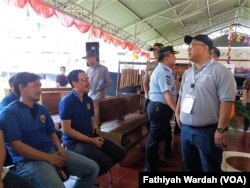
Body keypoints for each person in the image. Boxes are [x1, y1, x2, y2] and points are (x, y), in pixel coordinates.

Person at [0, 72, 99, 188]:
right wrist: (49, 158)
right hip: (28, 160)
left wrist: (60, 148)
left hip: (51, 151)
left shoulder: (41, 109)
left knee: (92, 169)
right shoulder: (9, 113)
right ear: (22, 88)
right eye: (35, 86)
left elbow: (51, 133)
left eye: (40, 86)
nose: (39, 90)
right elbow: (16, 146)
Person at [175, 34, 237, 171]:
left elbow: (227, 101)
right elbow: (181, 95)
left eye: (191, 46)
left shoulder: (220, 71)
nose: (188, 50)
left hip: (207, 133)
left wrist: (221, 129)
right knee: (189, 166)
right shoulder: (188, 73)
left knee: (210, 168)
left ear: (204, 48)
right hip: (185, 129)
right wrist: (177, 112)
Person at [59, 69, 126, 176]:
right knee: (105, 162)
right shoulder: (67, 101)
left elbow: (92, 120)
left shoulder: (88, 100)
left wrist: (97, 133)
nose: (88, 82)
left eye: (88, 79)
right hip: (74, 142)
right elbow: (66, 130)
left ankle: (92, 173)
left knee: (120, 152)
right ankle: (88, 176)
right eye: (84, 79)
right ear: (74, 83)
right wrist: (91, 140)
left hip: (91, 136)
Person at [144, 46, 179, 172]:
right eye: (173, 55)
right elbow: (166, 94)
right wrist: (177, 111)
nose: (175, 57)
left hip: (161, 108)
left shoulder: (166, 70)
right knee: (153, 140)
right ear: (167, 56)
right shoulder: (163, 71)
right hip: (159, 108)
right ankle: (149, 168)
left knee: (158, 137)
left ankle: (155, 161)